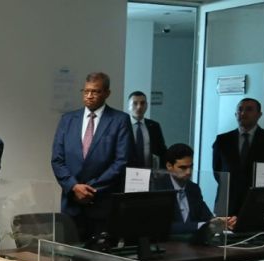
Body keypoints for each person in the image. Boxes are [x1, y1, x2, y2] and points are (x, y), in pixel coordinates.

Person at [50, 72, 132, 240]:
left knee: (101, 253)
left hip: (102, 203)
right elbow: (57, 160)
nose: (89, 96)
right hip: (71, 204)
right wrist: (74, 186)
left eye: (95, 91)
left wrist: (90, 189)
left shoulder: (119, 120)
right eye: (86, 91)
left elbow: (121, 161)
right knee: (70, 253)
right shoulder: (68, 119)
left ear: (107, 93)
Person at [211, 98, 264, 215]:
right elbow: (217, 171)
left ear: (259, 115)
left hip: (259, 201)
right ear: (235, 114)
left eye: (249, 109)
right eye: (240, 110)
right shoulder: (223, 140)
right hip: (228, 200)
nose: (243, 113)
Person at [151, 143, 236, 235]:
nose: (188, 172)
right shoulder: (157, 188)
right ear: (169, 166)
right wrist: (200, 226)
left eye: (191, 166)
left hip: (194, 242)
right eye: (183, 167)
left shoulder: (193, 188)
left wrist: (223, 222)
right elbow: (162, 226)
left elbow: (207, 217)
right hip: (168, 243)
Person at [127, 90, 166, 169]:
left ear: (147, 105)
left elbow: (161, 150)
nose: (139, 107)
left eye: (142, 103)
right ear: (128, 106)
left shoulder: (154, 126)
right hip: (126, 172)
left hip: (149, 171)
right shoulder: (122, 125)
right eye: (135, 103)